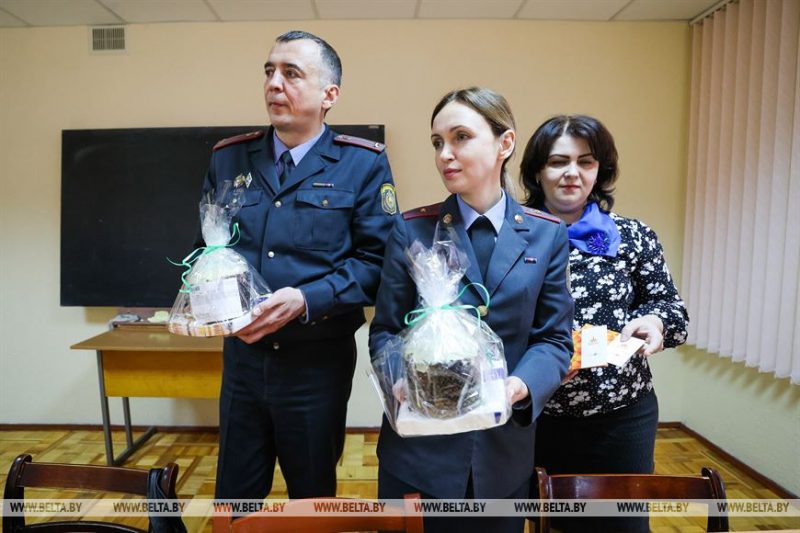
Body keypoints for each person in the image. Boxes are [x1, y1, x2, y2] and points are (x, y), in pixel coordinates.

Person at [201, 30, 397, 501]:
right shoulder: (229, 157)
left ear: (329, 95)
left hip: (316, 365)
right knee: (234, 497)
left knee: (311, 498)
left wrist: (307, 299)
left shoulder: (362, 163)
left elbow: (378, 263)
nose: (274, 83)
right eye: (269, 72)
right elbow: (204, 249)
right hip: (243, 361)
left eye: (291, 73)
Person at [369, 87, 573, 533]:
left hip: (502, 453)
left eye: (461, 137)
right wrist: (402, 379)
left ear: (505, 143)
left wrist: (519, 386)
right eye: (437, 142)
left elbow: (554, 339)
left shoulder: (546, 234)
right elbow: (385, 330)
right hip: (419, 453)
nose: (445, 154)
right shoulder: (411, 231)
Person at [520, 115, 689, 532]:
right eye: (558, 161)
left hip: (621, 416)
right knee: (545, 522)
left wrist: (655, 322)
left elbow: (672, 309)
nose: (572, 172)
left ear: (600, 170)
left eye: (586, 162)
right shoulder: (509, 237)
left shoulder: (633, 236)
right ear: (537, 171)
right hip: (534, 417)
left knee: (623, 526)